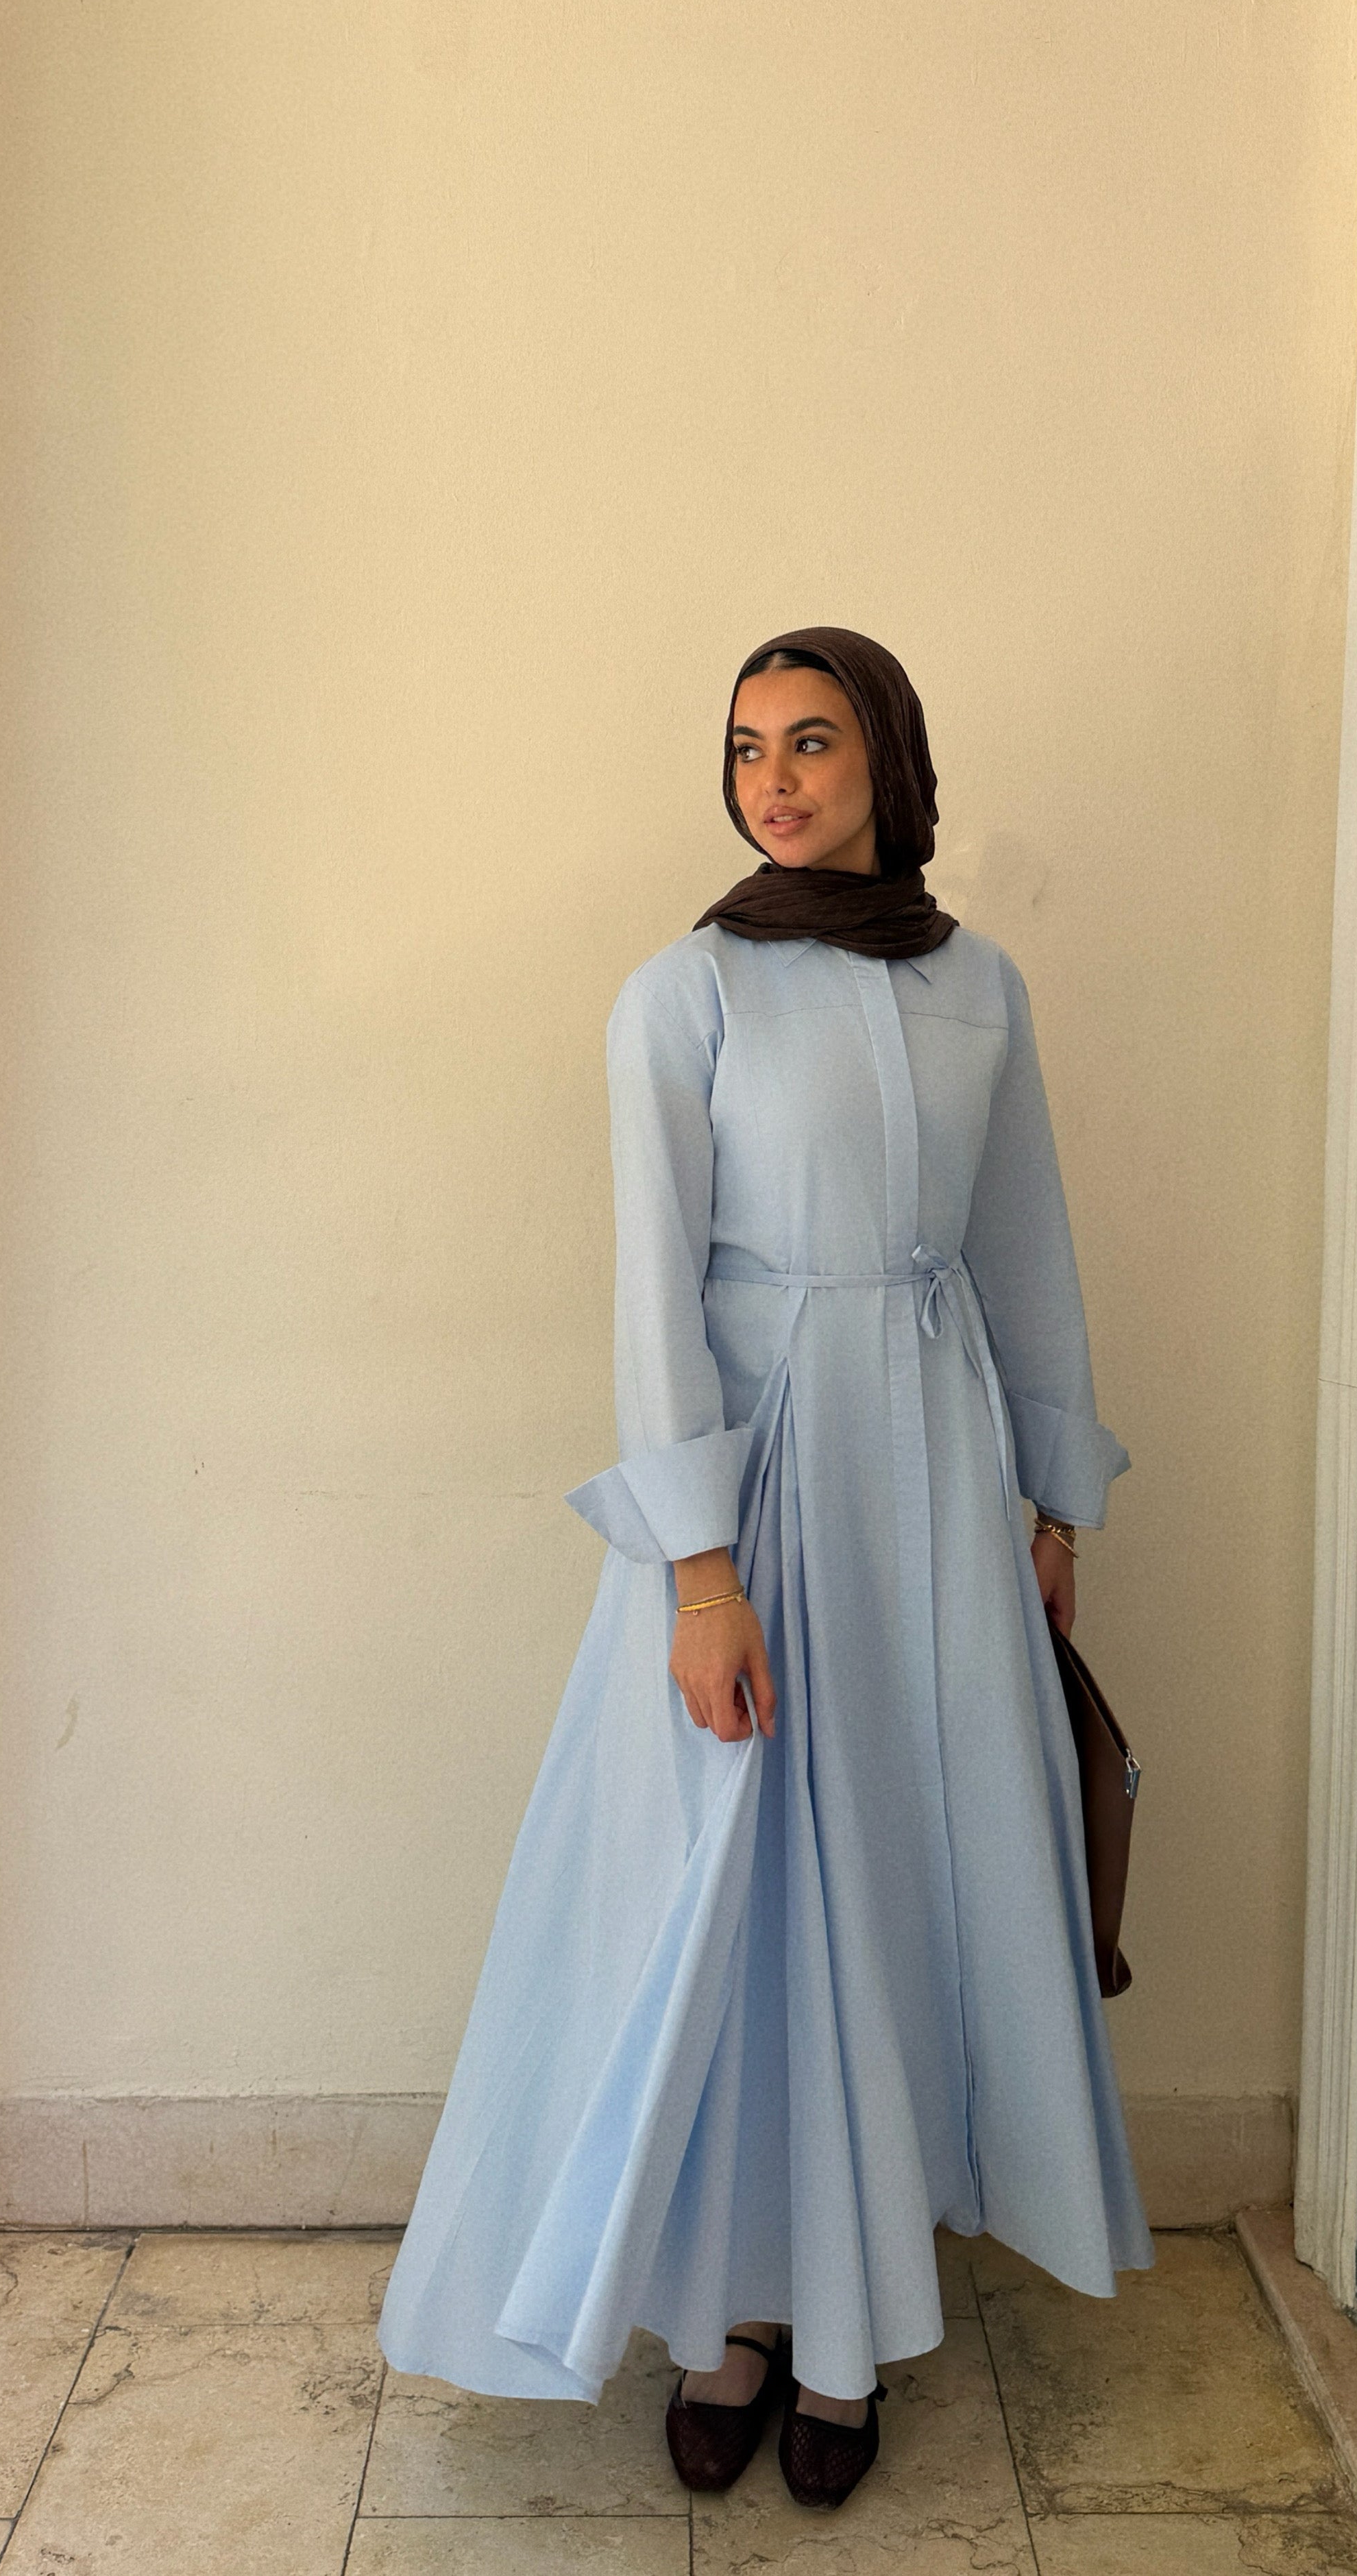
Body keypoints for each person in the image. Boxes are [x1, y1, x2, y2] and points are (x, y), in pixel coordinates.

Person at [378, 626, 1149, 2510]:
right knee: (726, 1895)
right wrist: (700, 1574)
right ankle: (726, 2317)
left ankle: (844, 2329)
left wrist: (1052, 1507)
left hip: (936, 1482)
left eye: (810, 742)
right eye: (745, 748)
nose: (774, 780)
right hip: (762, 1490)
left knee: (888, 1883)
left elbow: (1026, 1245)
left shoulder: (979, 986)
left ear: (887, 757)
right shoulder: (687, 991)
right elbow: (656, 1292)